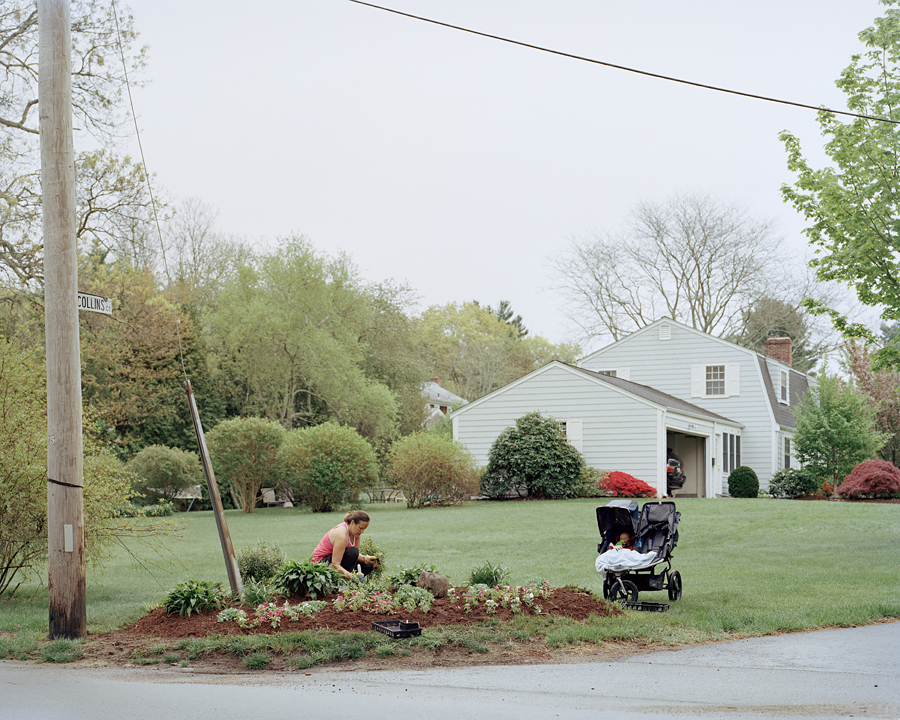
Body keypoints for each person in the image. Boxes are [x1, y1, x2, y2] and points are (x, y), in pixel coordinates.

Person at [311, 510, 379, 579]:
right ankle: (340, 585)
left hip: (332, 561)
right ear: (352, 522)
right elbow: (335, 565)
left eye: (364, 529)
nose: (362, 532)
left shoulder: (356, 533)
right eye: (360, 528)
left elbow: (356, 556)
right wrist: (352, 577)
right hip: (319, 565)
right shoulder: (341, 536)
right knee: (353, 551)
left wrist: (367, 559)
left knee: (368, 565)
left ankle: (345, 583)